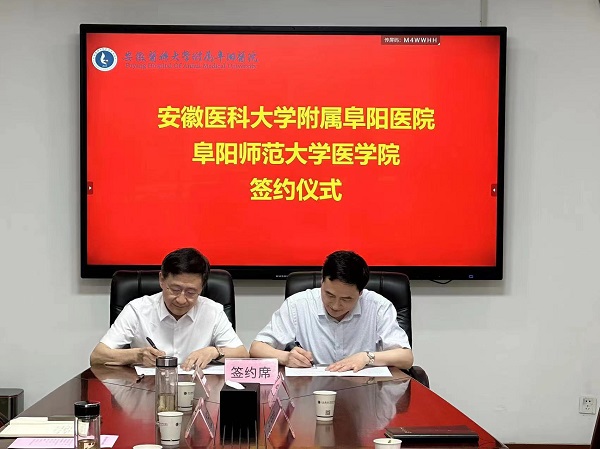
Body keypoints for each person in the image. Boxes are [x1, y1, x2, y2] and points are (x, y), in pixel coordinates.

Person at [250, 250, 414, 372]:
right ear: (322, 282)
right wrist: (286, 357)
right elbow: (256, 348)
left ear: (360, 293)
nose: (335, 305)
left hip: (366, 392)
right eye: (329, 295)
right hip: (311, 392)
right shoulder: (297, 305)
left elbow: (406, 358)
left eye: (346, 299)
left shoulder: (378, 307)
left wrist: (366, 357)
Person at [90, 248, 248, 370]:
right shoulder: (137, 310)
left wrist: (214, 352)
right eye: (175, 289)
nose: (181, 299)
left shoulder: (212, 311)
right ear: (161, 279)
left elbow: (242, 355)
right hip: (146, 392)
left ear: (202, 287)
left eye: (191, 292)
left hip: (198, 394)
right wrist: (137, 355)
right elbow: (97, 356)